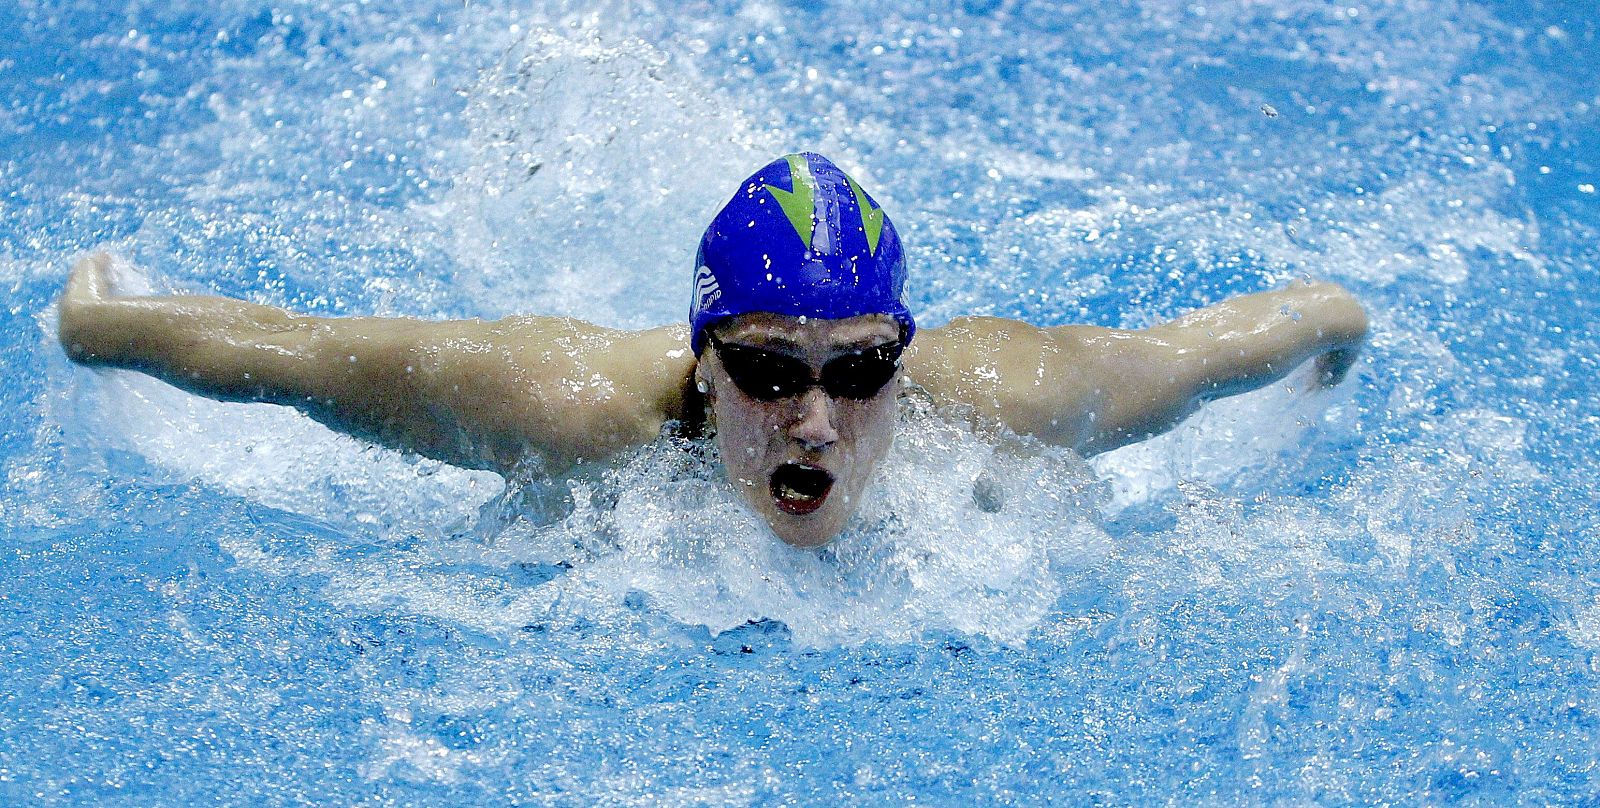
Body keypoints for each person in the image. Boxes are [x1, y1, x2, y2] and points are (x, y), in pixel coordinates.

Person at [57, 153, 1368, 547]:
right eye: (768, 370)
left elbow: (1221, 344)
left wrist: (1331, 325)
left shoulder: (1020, 395)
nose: (813, 420)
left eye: (859, 373)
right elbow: (296, 355)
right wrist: (100, 320)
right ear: (699, 363)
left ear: (903, 362)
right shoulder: (566, 407)